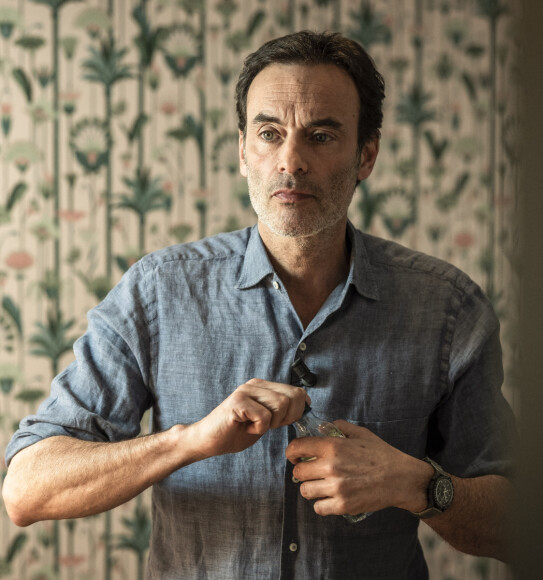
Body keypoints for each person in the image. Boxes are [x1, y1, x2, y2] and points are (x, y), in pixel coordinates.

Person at [3, 31, 516, 579]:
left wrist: (416, 485)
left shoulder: (449, 309)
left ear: (367, 155)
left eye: (321, 136)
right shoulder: (157, 292)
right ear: (243, 150)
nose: (290, 162)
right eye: (270, 133)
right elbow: (26, 490)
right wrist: (188, 442)